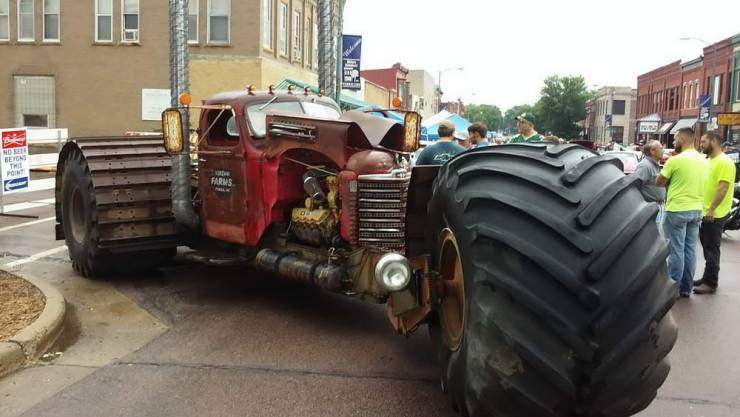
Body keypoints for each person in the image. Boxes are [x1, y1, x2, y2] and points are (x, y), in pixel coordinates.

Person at [656, 127, 709, 298]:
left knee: (676, 249)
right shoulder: (703, 160)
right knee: (690, 249)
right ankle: (686, 288)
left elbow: (659, 181)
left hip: (677, 209)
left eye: (676, 138)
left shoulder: (675, 160)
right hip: (696, 209)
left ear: (684, 140)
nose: (673, 141)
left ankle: (673, 288)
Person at [694, 132, 737, 294]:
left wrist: (712, 209)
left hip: (715, 213)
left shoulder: (724, 162)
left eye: (704, 141)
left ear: (714, 141)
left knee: (712, 248)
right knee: (706, 246)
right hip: (705, 212)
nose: (701, 144)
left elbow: (723, 187)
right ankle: (706, 277)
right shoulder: (709, 160)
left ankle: (711, 283)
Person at [635, 140, 666, 231]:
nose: (663, 150)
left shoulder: (655, 165)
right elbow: (636, 186)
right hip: (650, 207)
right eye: (661, 148)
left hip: (658, 207)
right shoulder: (645, 166)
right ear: (652, 151)